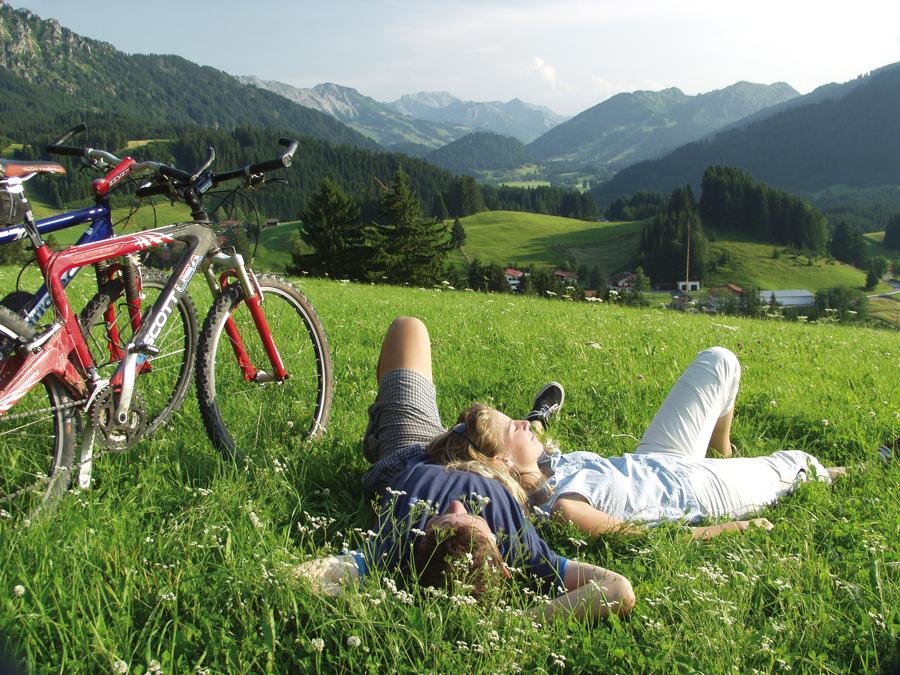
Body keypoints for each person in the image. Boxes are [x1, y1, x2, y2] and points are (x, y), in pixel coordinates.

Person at [294, 317, 635, 621]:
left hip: (418, 450)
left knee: (408, 328)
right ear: (504, 566)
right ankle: (535, 425)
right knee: (529, 467)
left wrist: (374, 608)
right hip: (500, 470)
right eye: (471, 516)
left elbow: (299, 577)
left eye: (441, 520)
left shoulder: (395, 547)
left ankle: (529, 431)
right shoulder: (521, 546)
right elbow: (618, 589)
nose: (456, 504)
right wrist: (518, 620)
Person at [431, 346, 849, 541]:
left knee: (720, 360)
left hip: (658, 459)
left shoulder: (547, 469)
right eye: (514, 427)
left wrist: (530, 429)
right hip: (694, 492)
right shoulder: (563, 507)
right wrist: (729, 528)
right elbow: (639, 536)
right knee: (795, 463)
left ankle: (724, 449)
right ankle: (873, 467)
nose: (524, 423)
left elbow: (529, 446)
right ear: (502, 463)